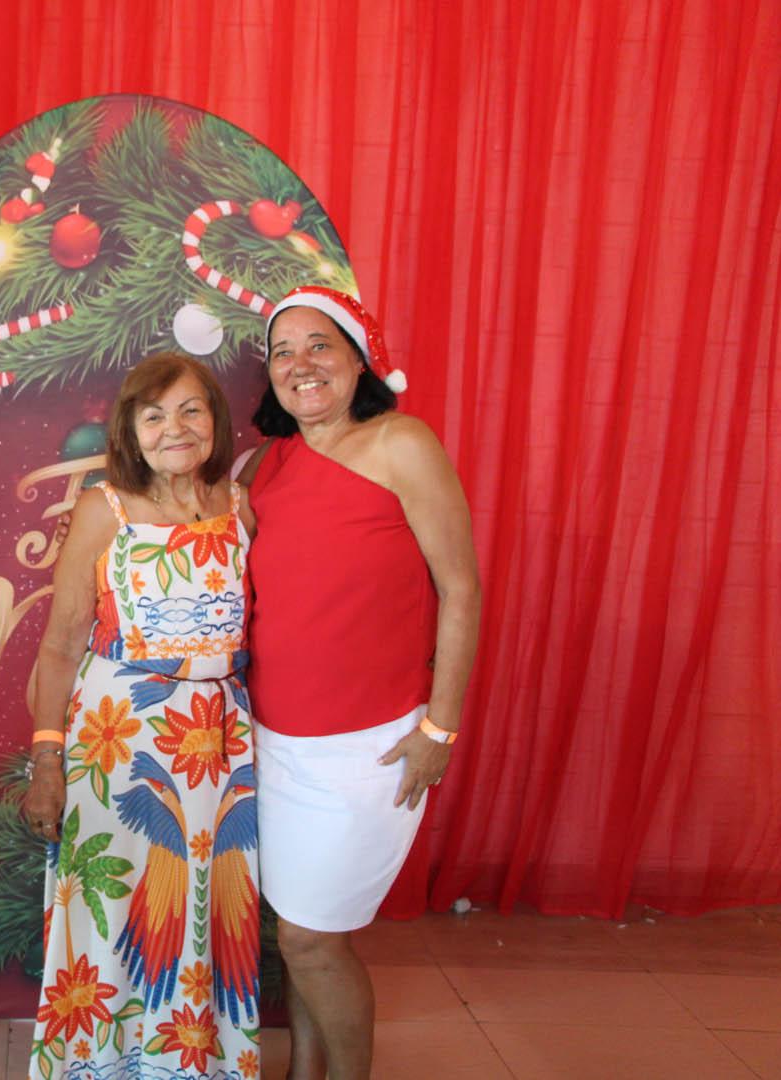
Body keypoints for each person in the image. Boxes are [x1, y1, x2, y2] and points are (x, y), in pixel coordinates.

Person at [237, 286, 481, 1080]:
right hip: (274, 741)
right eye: (283, 352)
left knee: (311, 939)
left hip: (370, 745)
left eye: (320, 345)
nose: (301, 365)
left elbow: (461, 589)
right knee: (301, 932)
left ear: (358, 358)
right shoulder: (266, 463)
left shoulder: (401, 442)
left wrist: (440, 726)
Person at [21, 353, 263, 1080]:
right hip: (117, 741)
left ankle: (192, 1065)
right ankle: (96, 1065)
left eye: (191, 410)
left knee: (203, 912)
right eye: (154, 415)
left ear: (215, 420)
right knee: (113, 909)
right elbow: (60, 645)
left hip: (219, 748)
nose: (174, 428)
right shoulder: (106, 509)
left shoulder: (242, 505)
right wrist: (46, 762)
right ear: (130, 430)